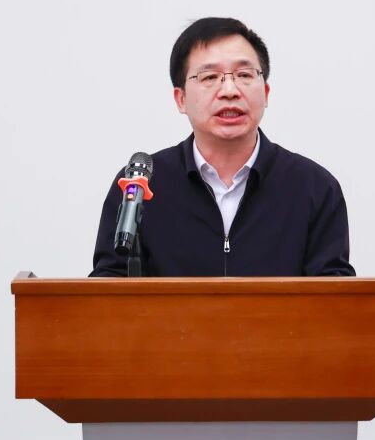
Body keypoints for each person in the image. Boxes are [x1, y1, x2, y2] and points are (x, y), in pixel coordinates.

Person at [90, 17, 354, 277]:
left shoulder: (313, 187)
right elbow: (106, 288)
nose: (229, 90)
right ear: (181, 99)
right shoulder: (139, 187)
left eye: (244, 75)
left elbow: (334, 295)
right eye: (210, 77)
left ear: (266, 93)